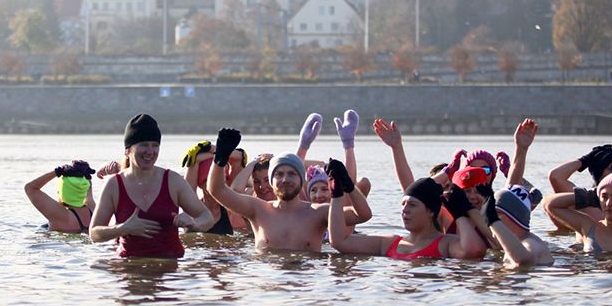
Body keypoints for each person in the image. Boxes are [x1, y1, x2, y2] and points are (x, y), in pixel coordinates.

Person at [205, 129, 371, 253]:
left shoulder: (319, 213)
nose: (285, 179)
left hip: (306, 286)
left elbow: (363, 215)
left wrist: (348, 185)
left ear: (302, 180)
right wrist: (219, 159)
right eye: (279, 174)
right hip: (267, 287)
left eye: (292, 174)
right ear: (272, 181)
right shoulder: (258, 210)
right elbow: (217, 190)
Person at [89, 114, 214, 258]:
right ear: (127, 150)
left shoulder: (172, 180)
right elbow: (94, 234)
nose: (150, 151)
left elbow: (207, 217)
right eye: (143, 145)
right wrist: (123, 228)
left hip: (170, 269)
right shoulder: (114, 185)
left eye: (155, 145)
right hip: (129, 268)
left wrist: (194, 224)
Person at [327, 171, 487, 260]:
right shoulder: (389, 243)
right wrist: (338, 193)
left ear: (431, 211)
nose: (405, 210)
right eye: (403, 204)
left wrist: (459, 213)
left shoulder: (447, 243)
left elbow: (474, 252)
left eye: (412, 204)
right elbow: (340, 242)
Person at [481, 186, 555, 267]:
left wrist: (493, 221)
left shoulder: (532, 243)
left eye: (496, 214)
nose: (492, 225)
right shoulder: (515, 243)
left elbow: (524, 261)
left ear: (514, 217)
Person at [25, 160, 96, 233]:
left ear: (61, 191)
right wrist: (84, 174)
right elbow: (88, 189)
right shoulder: (93, 209)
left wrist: (57, 172)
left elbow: (30, 188)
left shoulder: (61, 215)